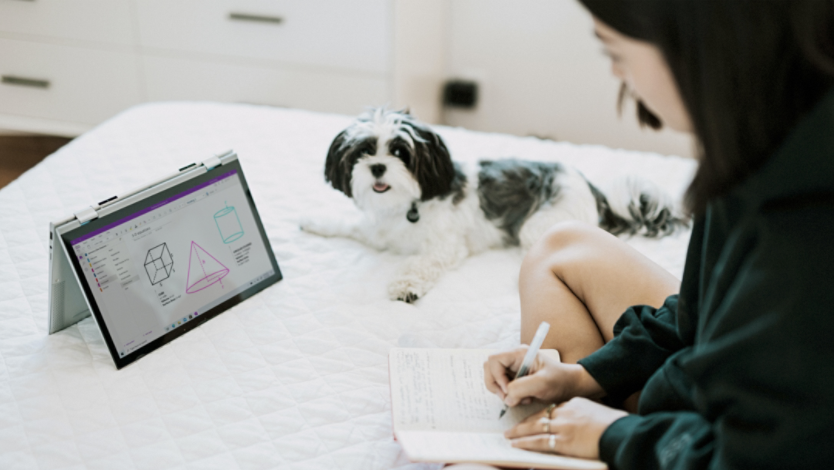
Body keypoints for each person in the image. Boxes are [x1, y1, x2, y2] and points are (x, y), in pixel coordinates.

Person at [460, 1, 834, 468]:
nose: (617, 74)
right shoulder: (766, 130)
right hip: (713, 394)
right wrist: (585, 376)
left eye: (614, 52)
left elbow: (755, 456)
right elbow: (702, 315)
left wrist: (613, 435)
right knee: (563, 245)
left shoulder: (807, 228)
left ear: (698, 43)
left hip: (721, 443)